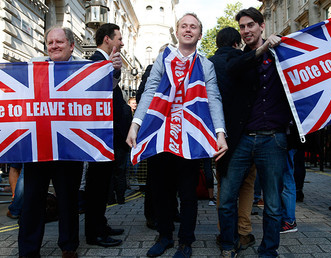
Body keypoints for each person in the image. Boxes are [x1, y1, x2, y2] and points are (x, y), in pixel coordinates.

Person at [0, 25, 103, 258]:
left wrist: (113, 71)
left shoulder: (85, 68)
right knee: (32, 202)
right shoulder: (33, 64)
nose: (54, 46)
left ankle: (68, 246)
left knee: (67, 200)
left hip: (68, 147)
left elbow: (104, 88)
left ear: (72, 45)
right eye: (50, 43)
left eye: (59, 42)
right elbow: (2, 85)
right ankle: (28, 250)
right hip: (37, 147)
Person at [126, 13, 227, 258]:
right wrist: (135, 124)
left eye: (193, 27)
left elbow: (213, 98)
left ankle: (186, 241)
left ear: (200, 34)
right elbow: (150, 91)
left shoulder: (205, 64)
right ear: (177, 31)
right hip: (161, 134)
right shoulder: (164, 58)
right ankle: (164, 236)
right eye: (184, 26)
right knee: (160, 190)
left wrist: (220, 133)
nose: (188, 30)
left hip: (190, 138)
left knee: (188, 193)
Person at [216, 7, 291, 257]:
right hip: (242, 140)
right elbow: (233, 69)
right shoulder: (239, 58)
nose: (246, 31)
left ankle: (268, 250)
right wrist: (263, 49)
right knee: (226, 197)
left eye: (250, 25)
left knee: (271, 203)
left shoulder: (284, 54)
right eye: (242, 27)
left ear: (262, 26)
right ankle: (228, 243)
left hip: (274, 139)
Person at [209, 27, 256, 250]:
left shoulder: (208, 63)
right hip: (247, 132)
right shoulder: (248, 60)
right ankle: (244, 231)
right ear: (237, 43)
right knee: (247, 184)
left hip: (219, 135)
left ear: (218, 44)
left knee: (224, 184)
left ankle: (224, 231)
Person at [84, 23, 131, 247]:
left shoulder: (104, 61)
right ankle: (95, 233)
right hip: (100, 137)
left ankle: (100, 224)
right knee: (97, 186)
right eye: (119, 38)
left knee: (103, 185)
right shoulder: (96, 62)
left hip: (108, 137)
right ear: (107, 40)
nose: (122, 43)